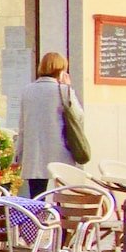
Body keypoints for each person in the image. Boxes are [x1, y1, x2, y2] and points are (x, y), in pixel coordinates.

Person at [16, 51, 79, 198]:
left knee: (37, 195)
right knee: (63, 193)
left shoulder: (27, 91)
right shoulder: (64, 91)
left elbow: (22, 126)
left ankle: (39, 219)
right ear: (61, 70)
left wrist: (18, 154)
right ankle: (61, 218)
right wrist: (68, 88)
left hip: (34, 151)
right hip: (60, 148)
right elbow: (78, 117)